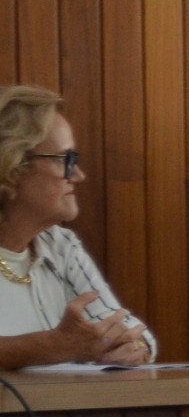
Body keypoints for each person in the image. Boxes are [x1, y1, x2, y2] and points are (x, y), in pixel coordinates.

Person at [0, 85, 156, 368]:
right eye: (66, 160)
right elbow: (63, 345)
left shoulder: (60, 245)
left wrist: (133, 347)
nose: (79, 176)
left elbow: (130, 329)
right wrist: (51, 347)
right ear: (10, 164)